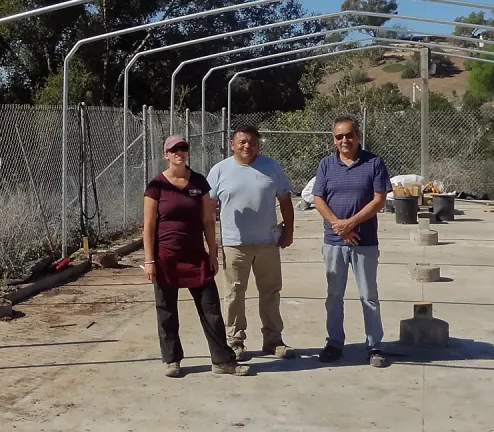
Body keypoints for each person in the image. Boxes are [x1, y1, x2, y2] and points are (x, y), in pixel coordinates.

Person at [143, 135, 251, 378]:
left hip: (195, 257)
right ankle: (172, 360)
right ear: (166, 154)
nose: (179, 153)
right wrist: (150, 261)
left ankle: (222, 360)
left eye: (183, 148)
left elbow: (207, 221)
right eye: (174, 149)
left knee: (211, 308)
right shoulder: (156, 186)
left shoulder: (199, 182)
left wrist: (212, 254)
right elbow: (148, 226)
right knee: (167, 310)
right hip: (166, 258)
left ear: (188, 152)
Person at [207, 125, 295, 360]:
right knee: (234, 293)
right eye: (242, 142)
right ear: (232, 144)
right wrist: (211, 244)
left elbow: (285, 200)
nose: (248, 146)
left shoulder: (271, 167)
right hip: (235, 244)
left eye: (252, 142)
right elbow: (208, 208)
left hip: (267, 242)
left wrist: (289, 231)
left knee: (270, 291)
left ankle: (273, 340)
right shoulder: (219, 171)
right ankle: (235, 341)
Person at [311, 115, 391, 366]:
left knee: (368, 295)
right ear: (333, 140)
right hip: (334, 242)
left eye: (349, 135)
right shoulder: (326, 165)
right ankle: (334, 343)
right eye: (339, 136)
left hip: (364, 242)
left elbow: (379, 200)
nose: (345, 140)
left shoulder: (374, 163)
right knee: (334, 295)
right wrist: (340, 226)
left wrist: (351, 223)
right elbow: (318, 199)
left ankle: (374, 346)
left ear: (358, 136)